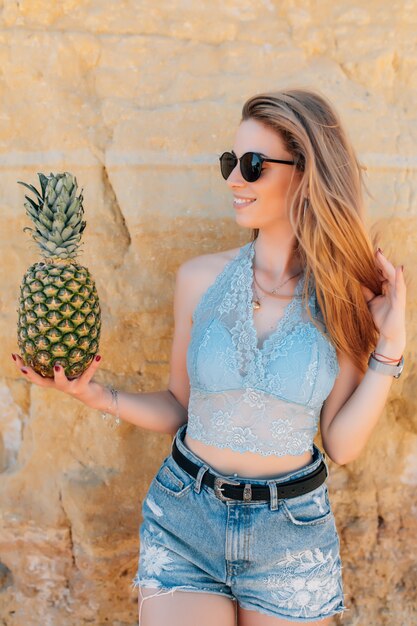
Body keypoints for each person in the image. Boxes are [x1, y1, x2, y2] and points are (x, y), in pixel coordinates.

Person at [12, 88, 407, 625]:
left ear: (305, 173)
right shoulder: (198, 280)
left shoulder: (345, 296)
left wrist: (390, 349)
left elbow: (341, 443)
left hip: (289, 537)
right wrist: (94, 394)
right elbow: (181, 405)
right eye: (230, 162)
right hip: (185, 517)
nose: (233, 181)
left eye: (251, 165)